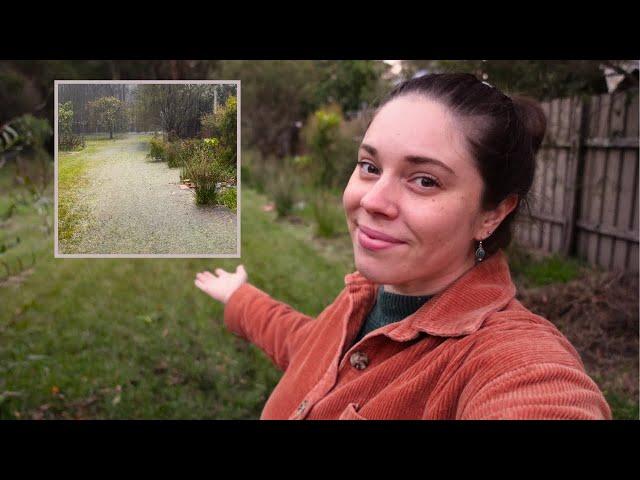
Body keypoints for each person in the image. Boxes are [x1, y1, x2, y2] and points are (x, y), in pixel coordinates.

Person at [194, 73, 612, 420]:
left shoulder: (512, 360)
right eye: (370, 167)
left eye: (425, 180)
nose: (372, 200)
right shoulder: (368, 295)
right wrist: (241, 299)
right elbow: (313, 350)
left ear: (493, 214)